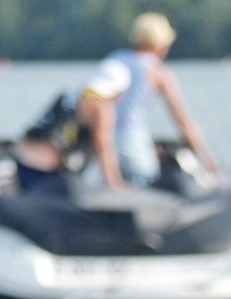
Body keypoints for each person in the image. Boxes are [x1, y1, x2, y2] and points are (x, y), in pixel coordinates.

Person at [78, 12, 217, 190]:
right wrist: (207, 159)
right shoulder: (158, 71)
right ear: (161, 44)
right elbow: (182, 120)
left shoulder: (115, 58)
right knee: (146, 187)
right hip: (131, 142)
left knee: (108, 190)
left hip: (99, 141)